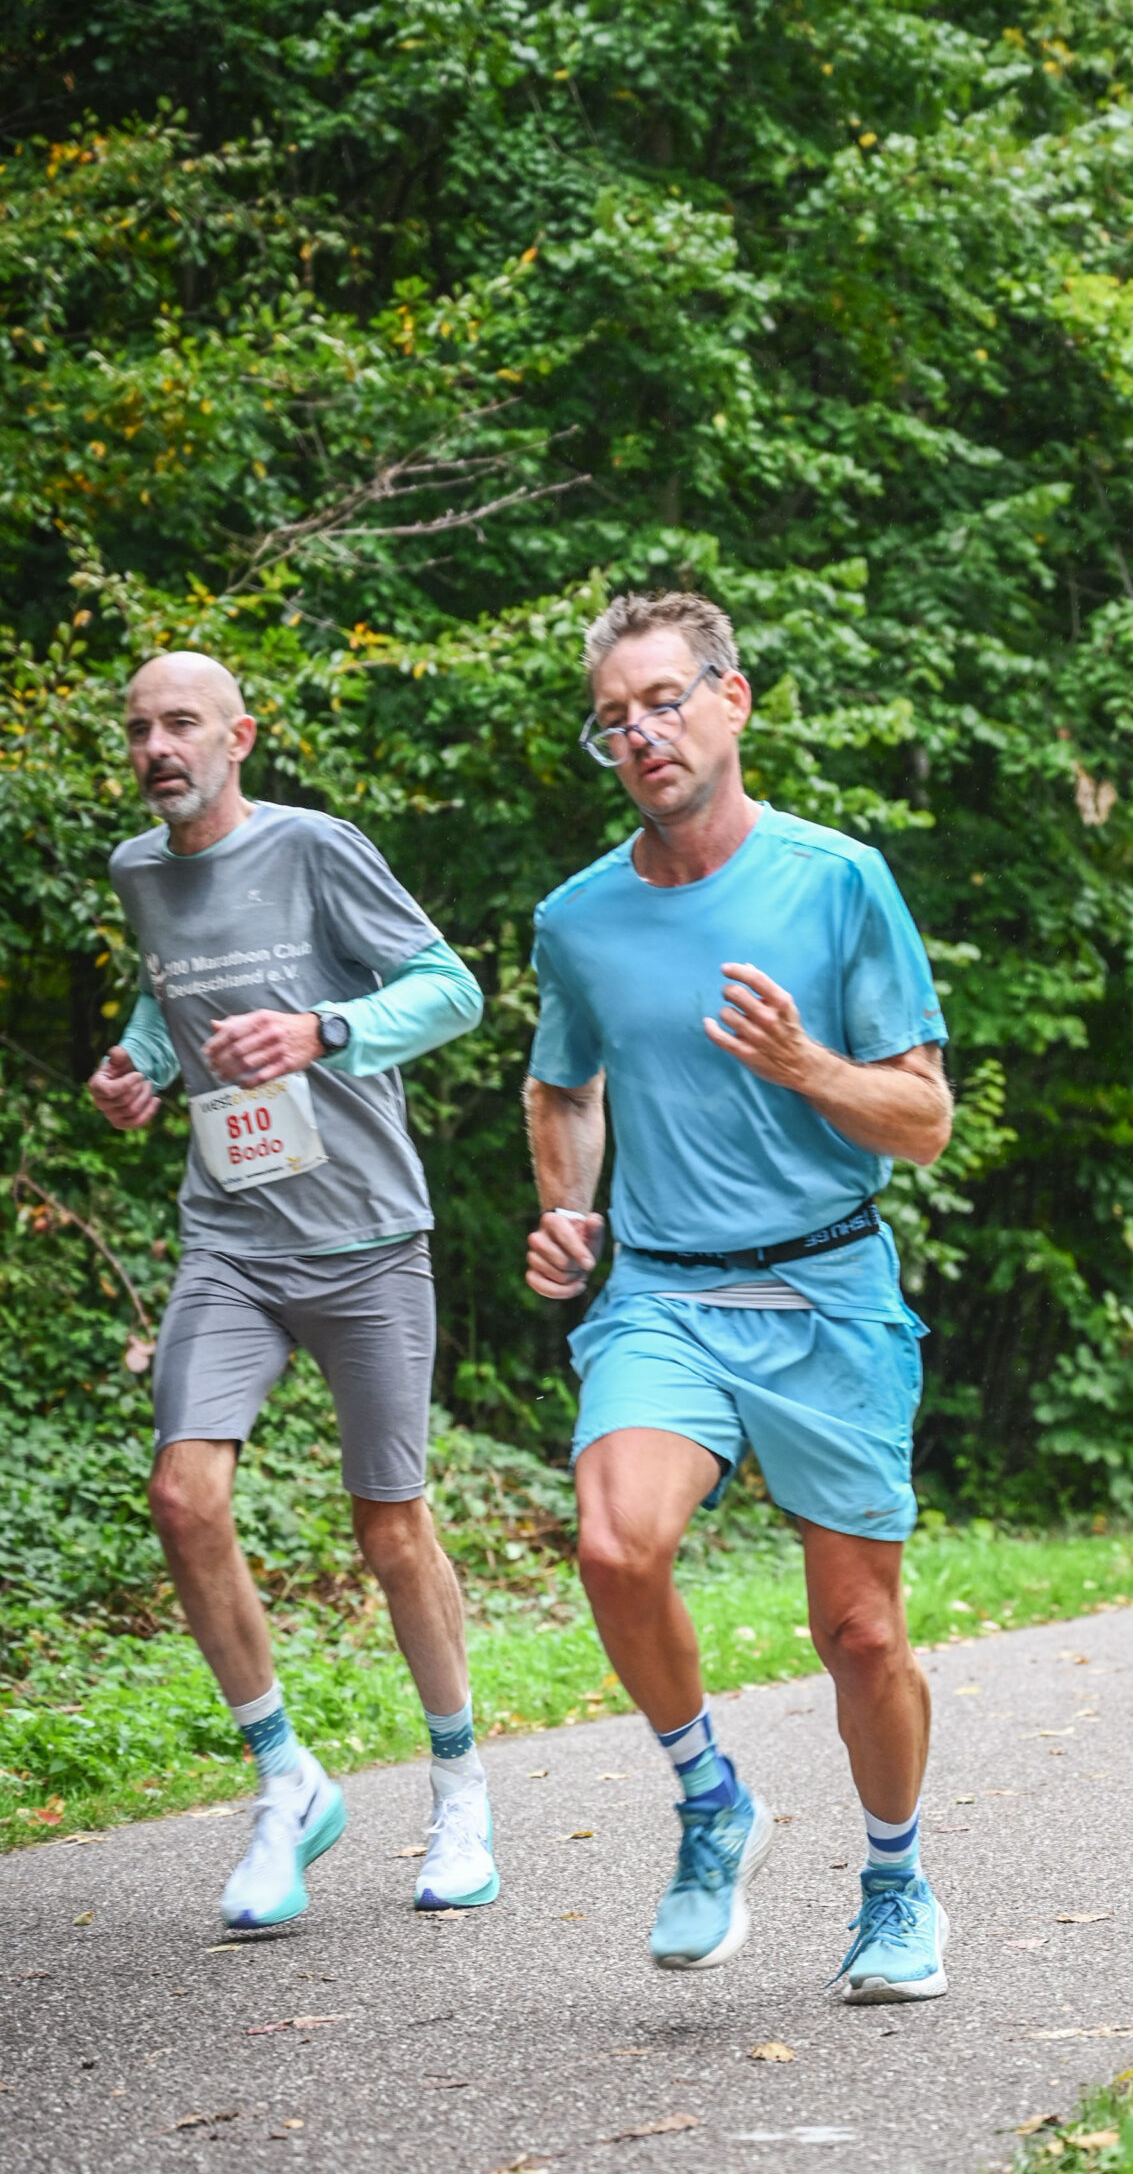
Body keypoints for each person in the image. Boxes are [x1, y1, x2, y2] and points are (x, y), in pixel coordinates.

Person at [524, 591, 955, 2001]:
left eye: (662, 701)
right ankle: (710, 1799)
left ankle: (893, 1884)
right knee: (614, 1545)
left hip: (826, 1288)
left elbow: (922, 1119)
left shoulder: (838, 881)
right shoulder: (577, 919)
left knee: (860, 1635)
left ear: (732, 699)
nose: (639, 734)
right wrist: (567, 1210)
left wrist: (806, 1068)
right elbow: (561, 1084)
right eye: (612, 719)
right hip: (664, 1293)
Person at [89, 651, 494, 1926]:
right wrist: (138, 1066)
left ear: (240, 737)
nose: (158, 747)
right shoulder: (139, 871)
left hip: (367, 1238)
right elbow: (170, 999)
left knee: (390, 1527)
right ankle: (286, 1780)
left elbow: (450, 990)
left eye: (182, 724)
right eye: (140, 728)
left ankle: (459, 1787)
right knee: (182, 1496)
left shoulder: (315, 848)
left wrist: (321, 1029)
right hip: (232, 1240)